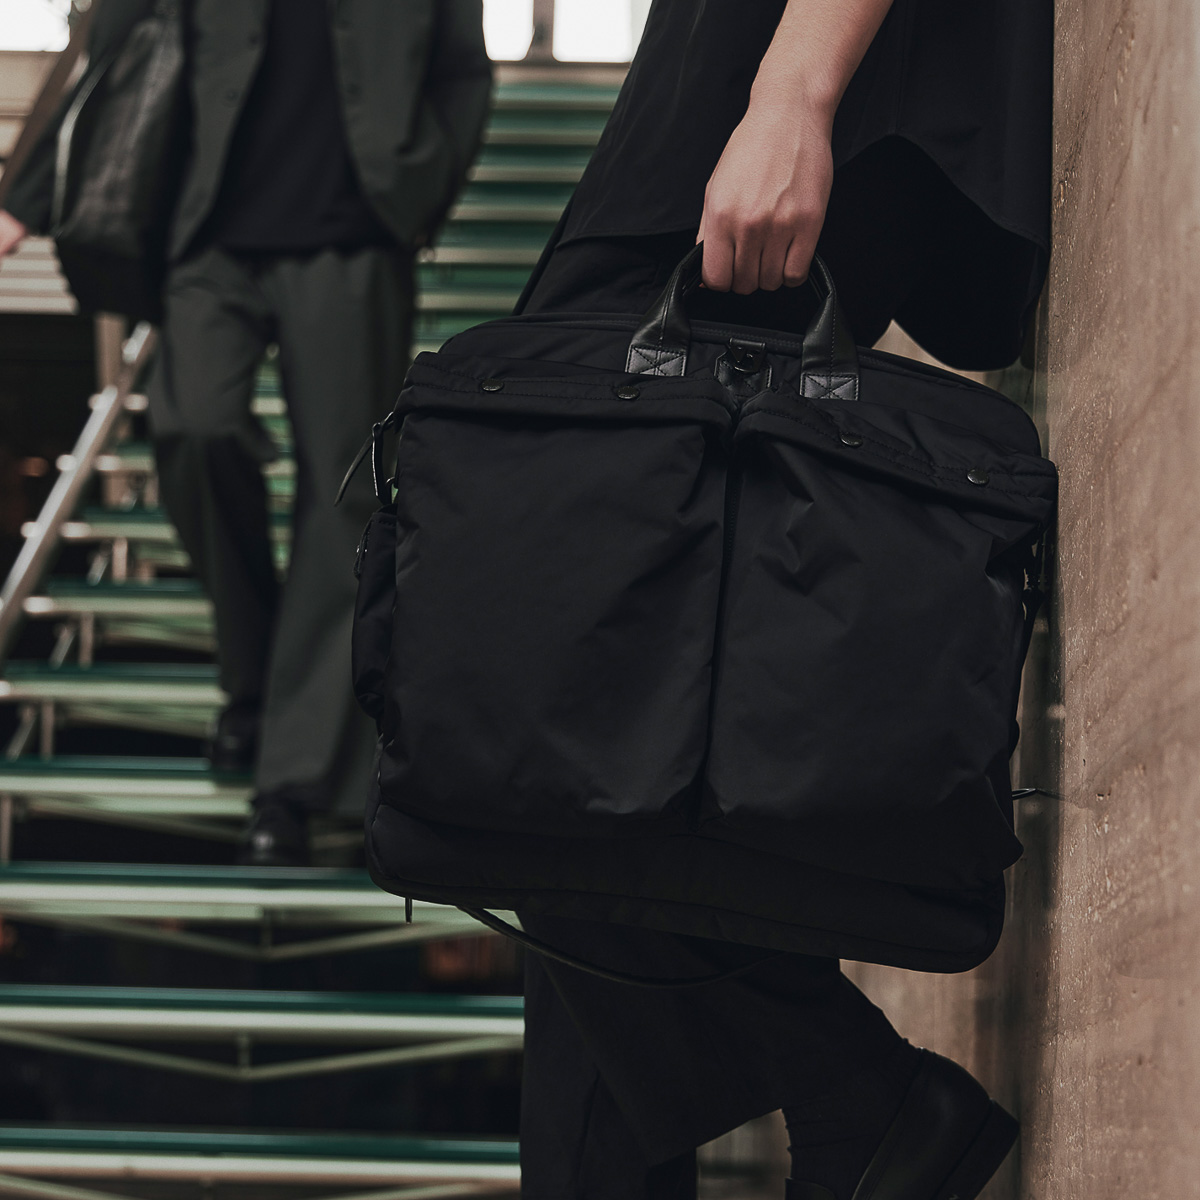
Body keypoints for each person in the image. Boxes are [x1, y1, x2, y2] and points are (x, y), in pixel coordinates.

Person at [513, 0, 1051, 1197]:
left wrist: (793, 96)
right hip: (739, 94)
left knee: (538, 673)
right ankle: (861, 1107)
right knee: (579, 722)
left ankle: (860, 1095)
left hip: (783, 88)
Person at [0, 0, 492, 866]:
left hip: (355, 233)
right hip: (207, 228)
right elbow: (111, 37)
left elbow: (461, 72)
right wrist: (24, 197)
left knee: (342, 499)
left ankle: (291, 783)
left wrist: (422, 187)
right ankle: (255, 674)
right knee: (194, 429)